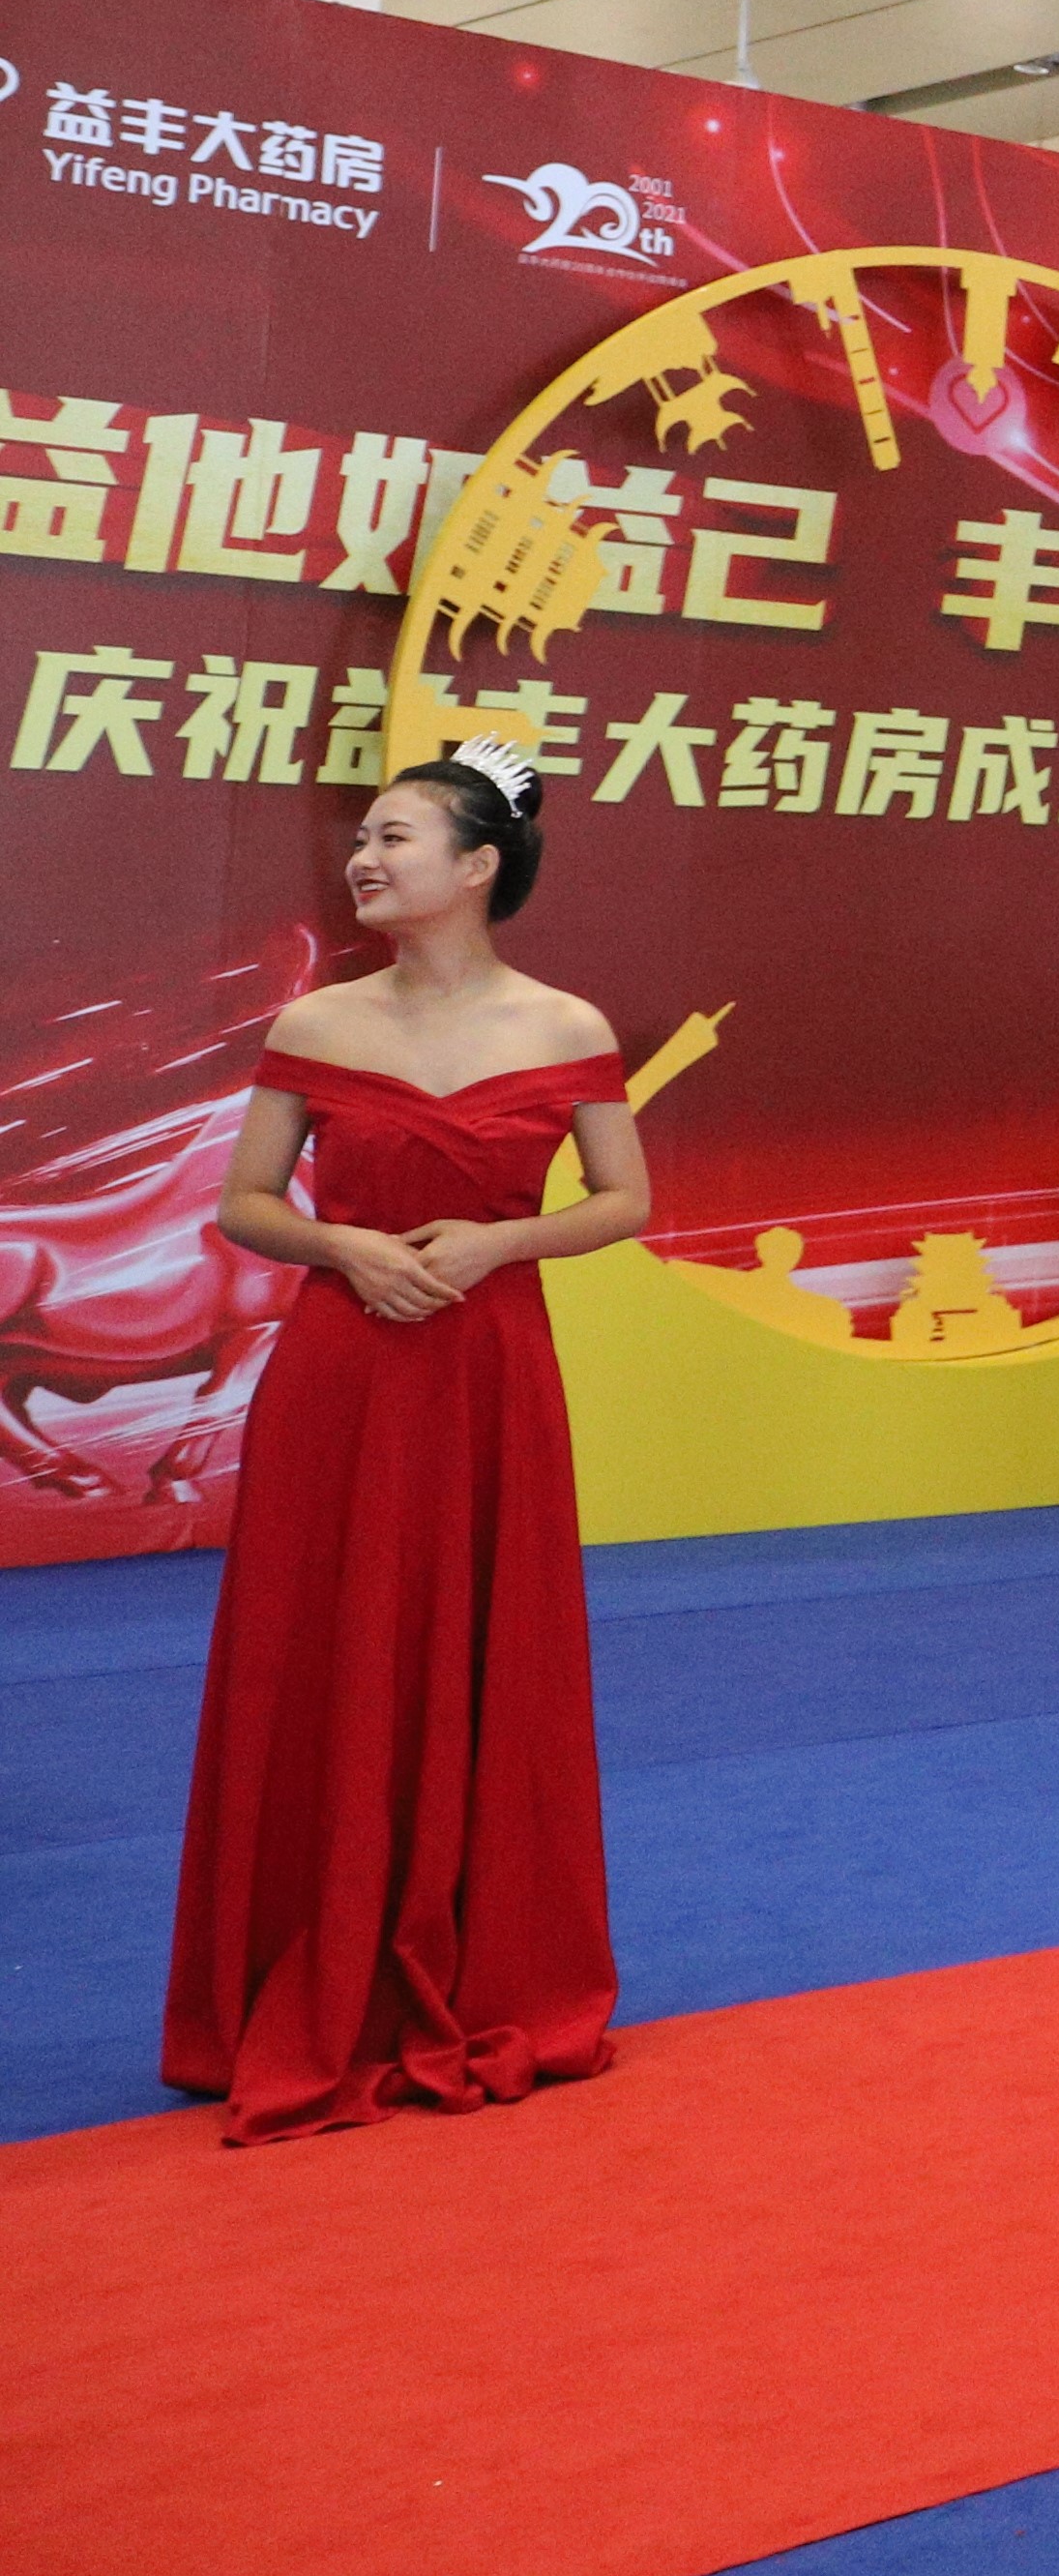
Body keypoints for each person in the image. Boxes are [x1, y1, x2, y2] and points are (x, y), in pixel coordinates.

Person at [166, 736, 646, 2140]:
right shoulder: (318, 1024)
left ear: (478, 865)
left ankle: (487, 1962)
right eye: (362, 839)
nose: (363, 859)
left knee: (488, 1638)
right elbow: (248, 1201)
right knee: (320, 1646)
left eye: (393, 838)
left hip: (492, 1366)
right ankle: (303, 1968)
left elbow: (623, 1197)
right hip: (341, 1367)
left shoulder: (566, 1025)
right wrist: (346, 1247)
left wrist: (501, 1241)